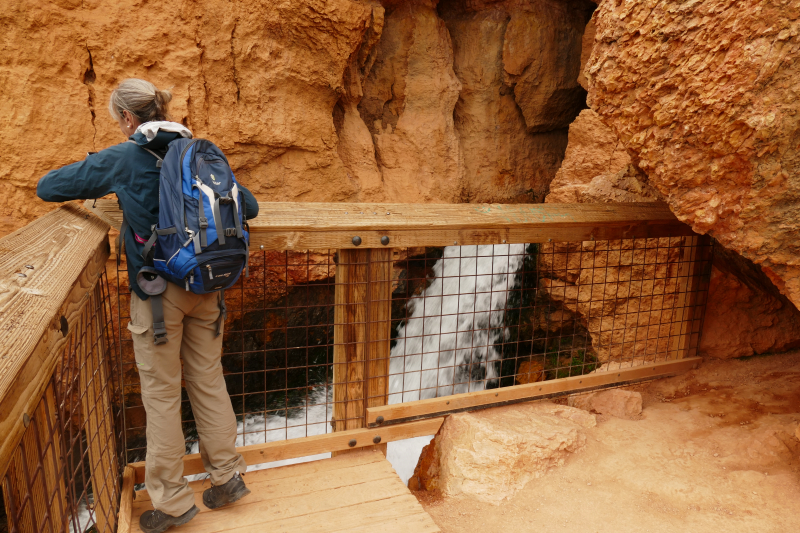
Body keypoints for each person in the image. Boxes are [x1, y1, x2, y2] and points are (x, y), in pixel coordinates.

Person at [37, 79, 255, 533]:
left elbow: (49, 187)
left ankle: (173, 504)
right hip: (207, 287)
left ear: (129, 119)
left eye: (120, 119)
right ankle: (226, 478)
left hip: (157, 297)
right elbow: (247, 206)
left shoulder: (125, 157)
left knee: (160, 396)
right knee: (209, 381)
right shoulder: (199, 152)